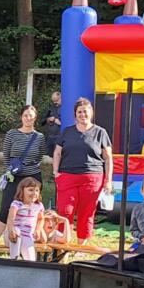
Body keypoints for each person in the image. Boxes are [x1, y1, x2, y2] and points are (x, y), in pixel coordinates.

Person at [51, 97, 113, 245]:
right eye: (79, 112)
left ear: (91, 113)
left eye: (85, 111)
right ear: (75, 114)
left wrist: (108, 180)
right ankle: (63, 245)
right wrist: (56, 172)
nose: (82, 114)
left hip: (92, 178)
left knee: (86, 212)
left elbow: (108, 158)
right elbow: (57, 153)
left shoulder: (100, 132)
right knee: (65, 211)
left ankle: (80, 247)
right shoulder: (67, 132)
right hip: (67, 176)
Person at [0, 105, 46, 247]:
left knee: (32, 209)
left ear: (35, 118)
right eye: (25, 115)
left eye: (31, 115)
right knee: (5, 209)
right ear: (21, 117)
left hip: (33, 177)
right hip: (14, 176)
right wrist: (12, 170)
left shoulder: (39, 137)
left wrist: (28, 167)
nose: (28, 118)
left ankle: (29, 241)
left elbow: (40, 156)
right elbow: (6, 155)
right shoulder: (12, 134)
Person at [6, 177, 46, 261]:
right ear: (22, 191)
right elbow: (10, 218)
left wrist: (38, 229)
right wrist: (11, 229)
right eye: (30, 190)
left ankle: (27, 266)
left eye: (37, 190)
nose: (34, 193)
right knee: (17, 231)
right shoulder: (17, 204)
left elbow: (41, 219)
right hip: (11, 235)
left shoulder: (39, 205)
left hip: (27, 236)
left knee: (30, 259)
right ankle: (14, 259)